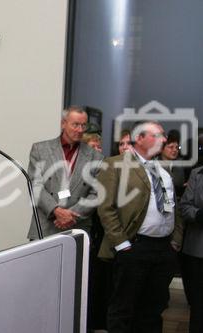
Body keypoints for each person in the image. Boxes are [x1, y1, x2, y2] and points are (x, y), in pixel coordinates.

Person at [96, 121, 183, 333]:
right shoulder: (114, 165)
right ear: (140, 138)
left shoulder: (162, 170)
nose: (163, 140)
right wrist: (122, 244)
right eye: (158, 135)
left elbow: (174, 208)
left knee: (154, 308)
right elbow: (106, 208)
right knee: (123, 308)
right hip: (134, 248)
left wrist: (175, 240)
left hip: (163, 250)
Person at [27, 105, 103, 239]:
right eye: (75, 125)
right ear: (63, 124)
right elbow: (35, 185)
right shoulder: (40, 149)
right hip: (45, 227)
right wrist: (56, 211)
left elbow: (96, 194)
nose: (80, 130)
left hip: (77, 228)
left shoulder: (95, 157)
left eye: (83, 126)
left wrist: (70, 215)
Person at [179, 166, 203, 333]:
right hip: (197, 249)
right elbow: (184, 207)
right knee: (198, 303)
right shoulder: (197, 174)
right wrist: (199, 214)